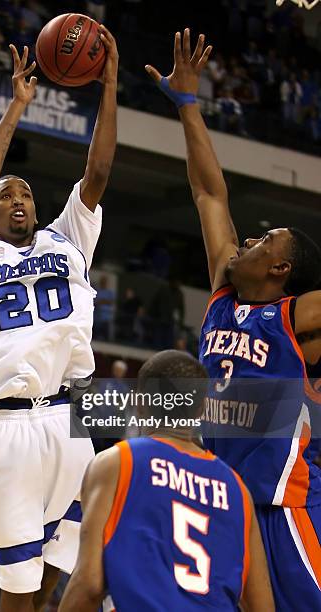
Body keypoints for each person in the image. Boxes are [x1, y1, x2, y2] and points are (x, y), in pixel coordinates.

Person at [0, 26, 118, 612]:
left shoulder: (66, 241)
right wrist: (17, 107)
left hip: (70, 418)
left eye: (24, 194)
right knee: (16, 587)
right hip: (6, 426)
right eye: (4, 195)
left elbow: (96, 176)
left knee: (64, 574)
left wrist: (109, 86)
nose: (15, 199)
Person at [146, 29, 321, 609]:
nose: (247, 238)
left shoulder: (298, 318)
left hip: (282, 507)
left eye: (264, 238)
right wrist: (188, 103)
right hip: (223, 501)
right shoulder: (224, 292)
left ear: (280, 268)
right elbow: (209, 194)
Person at [59, 350, 274, 611]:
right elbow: (262, 606)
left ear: (139, 401)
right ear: (203, 410)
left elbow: (88, 584)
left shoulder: (117, 462)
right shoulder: (237, 490)